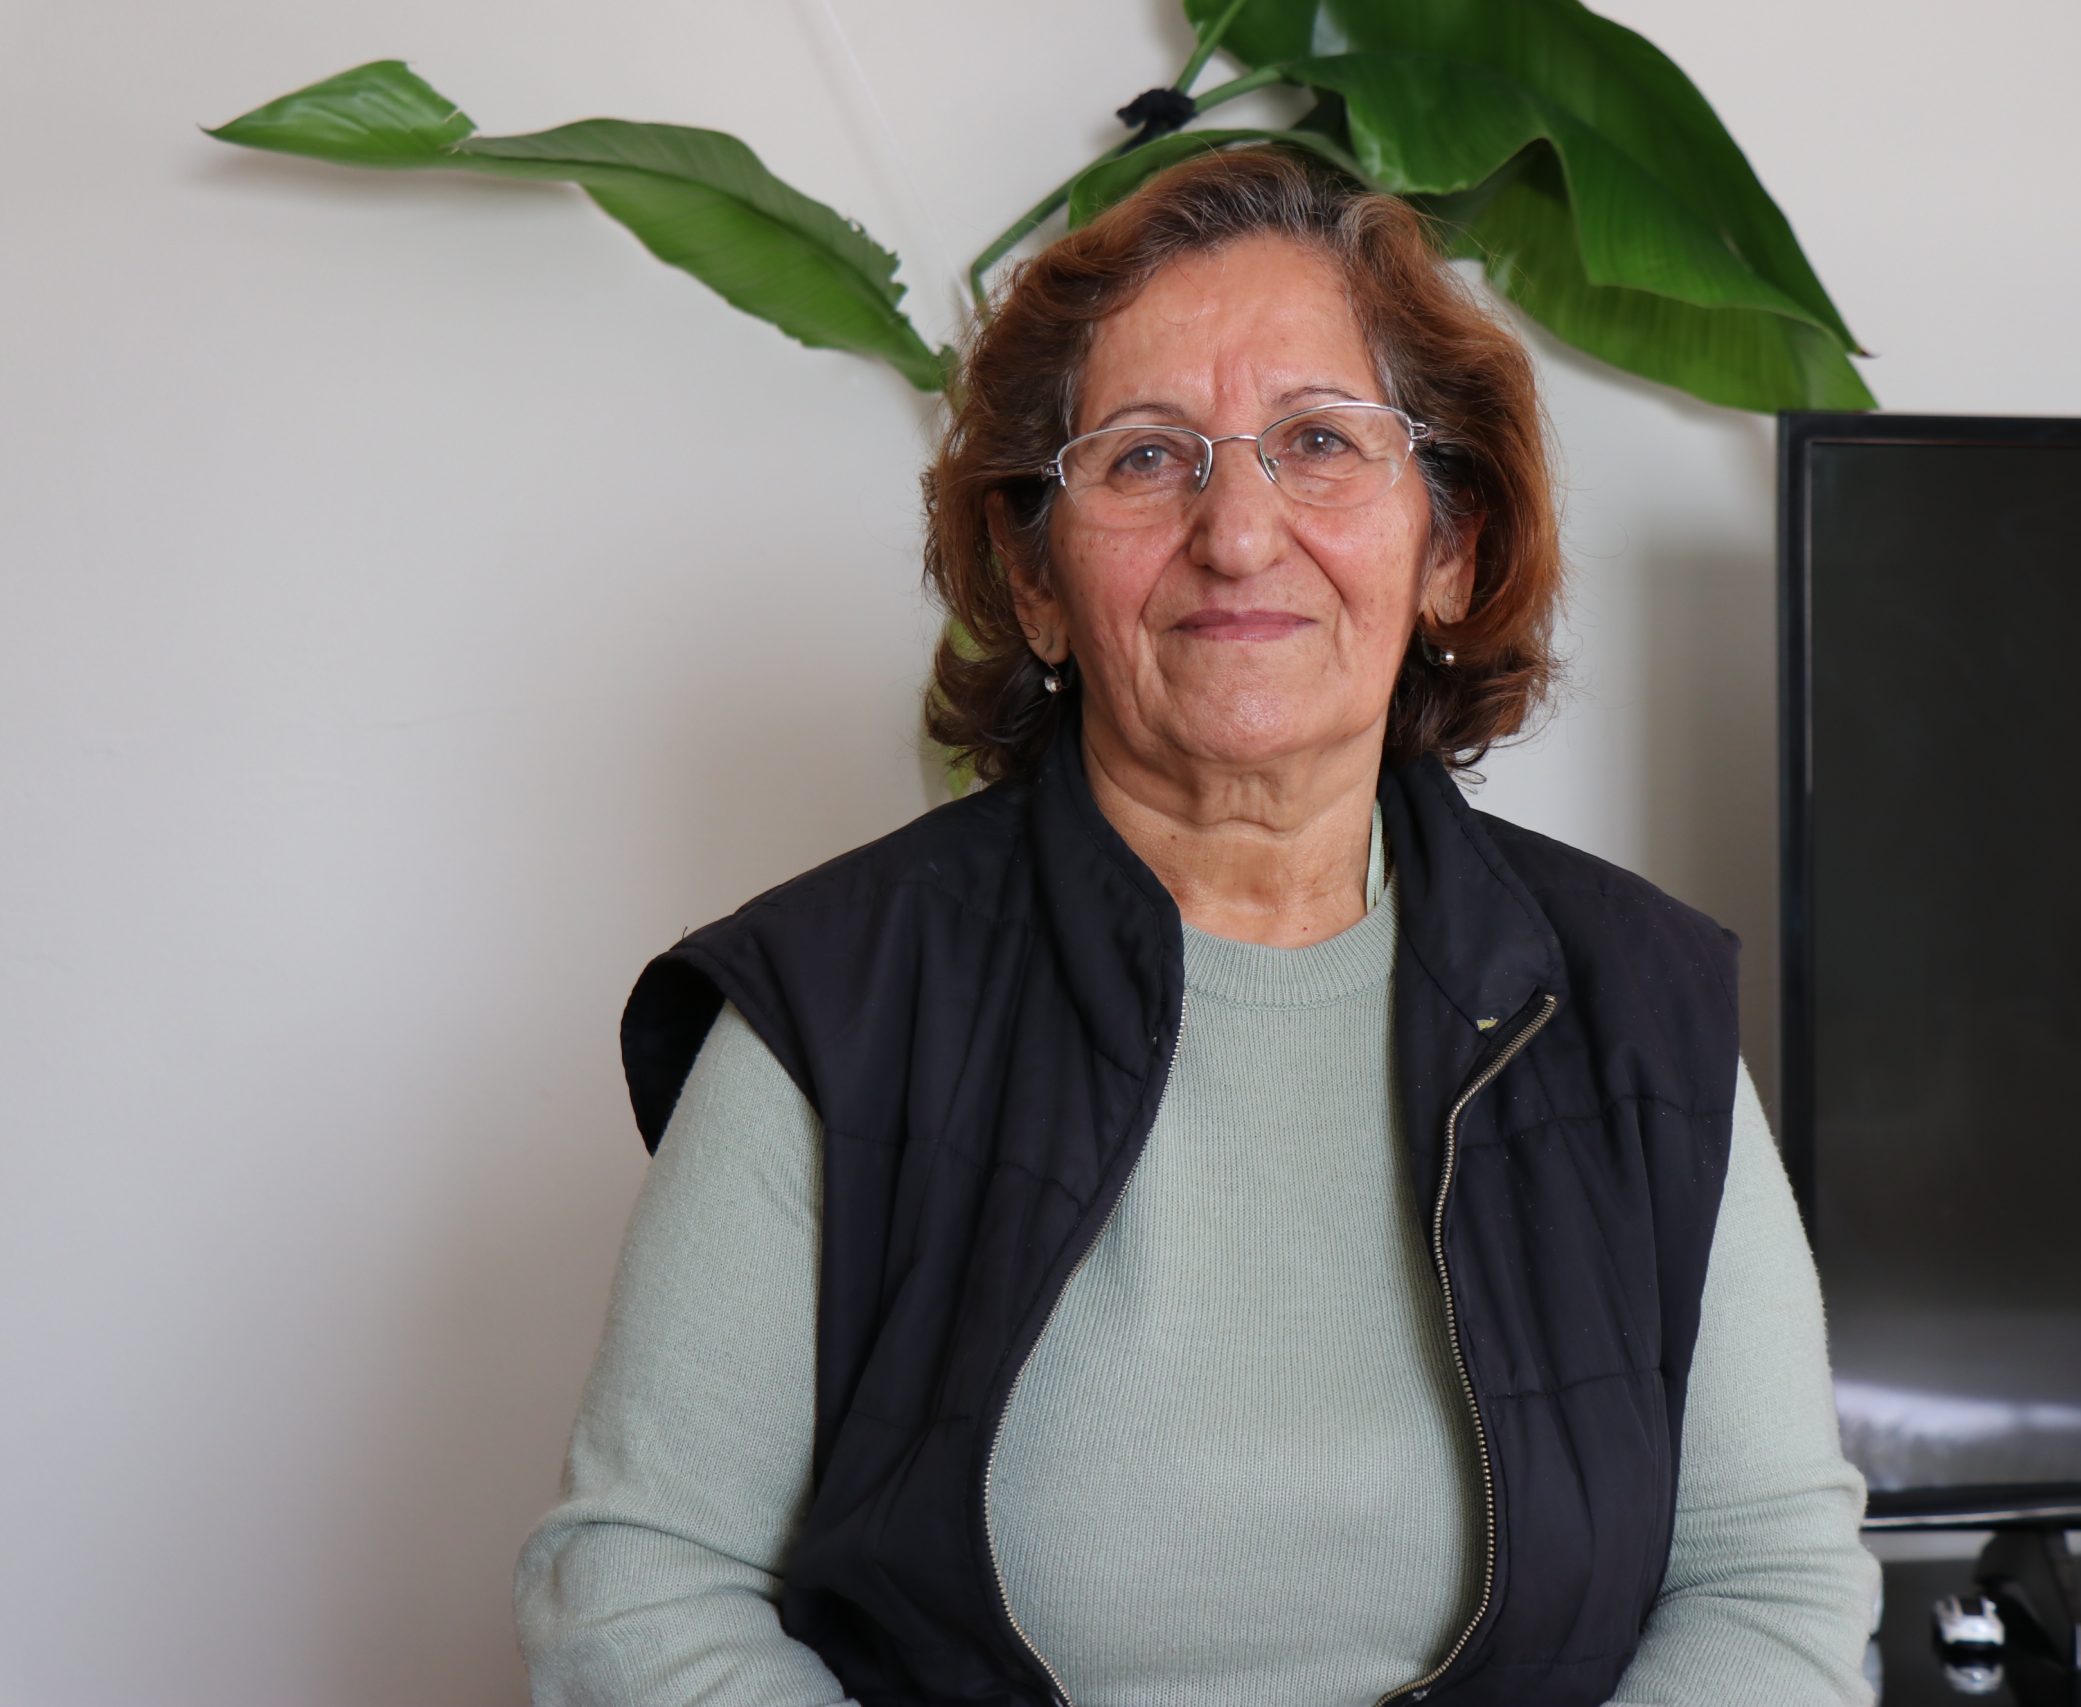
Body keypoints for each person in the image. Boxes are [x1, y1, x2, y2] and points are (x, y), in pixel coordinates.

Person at [514, 145, 1881, 1707]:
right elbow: (637, 1589)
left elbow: (1770, 1578)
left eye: (1320, 440)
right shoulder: (835, 1005)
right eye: (1148, 456)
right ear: (1034, 575)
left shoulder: (1636, 1004)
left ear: (1449, 547)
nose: (1238, 530)